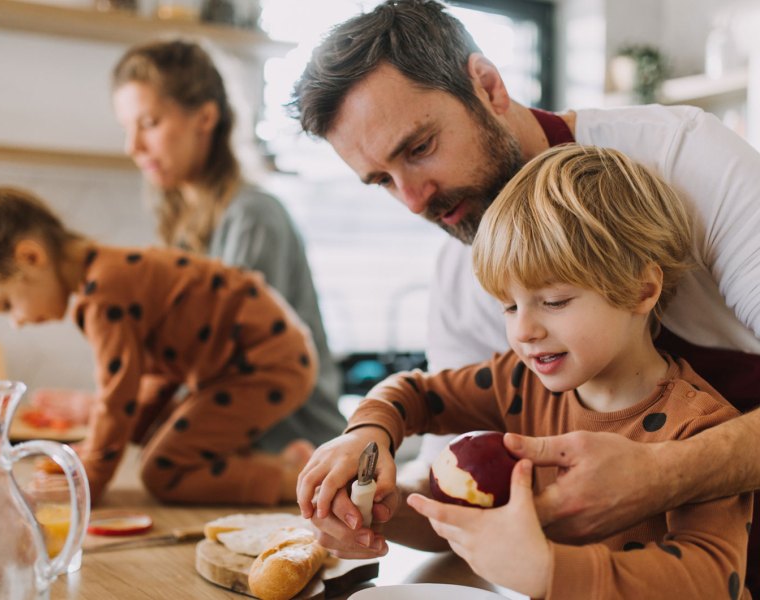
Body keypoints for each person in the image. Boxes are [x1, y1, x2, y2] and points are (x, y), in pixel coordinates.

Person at [288, 0, 760, 589]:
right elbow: (472, 490)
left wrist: (665, 476)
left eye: (419, 147)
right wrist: (368, 457)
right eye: (382, 180)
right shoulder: (493, 333)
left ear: (487, 85)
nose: (411, 199)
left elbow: (710, 576)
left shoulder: (689, 160)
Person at [27, 39, 346, 456]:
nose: (132, 147)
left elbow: (222, 363)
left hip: (291, 445)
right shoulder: (182, 229)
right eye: (128, 128)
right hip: (235, 445)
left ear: (205, 118)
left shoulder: (253, 216)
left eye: (149, 123)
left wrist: (106, 410)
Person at [0, 180, 318, 507]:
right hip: (258, 357)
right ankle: (284, 464)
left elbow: (118, 397)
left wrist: (90, 480)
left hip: (266, 361)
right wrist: (97, 450)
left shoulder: (104, 294)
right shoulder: (109, 274)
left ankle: (294, 482)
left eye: (6, 304)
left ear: (31, 258)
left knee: (163, 472)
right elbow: (152, 378)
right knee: (155, 438)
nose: (16, 322)